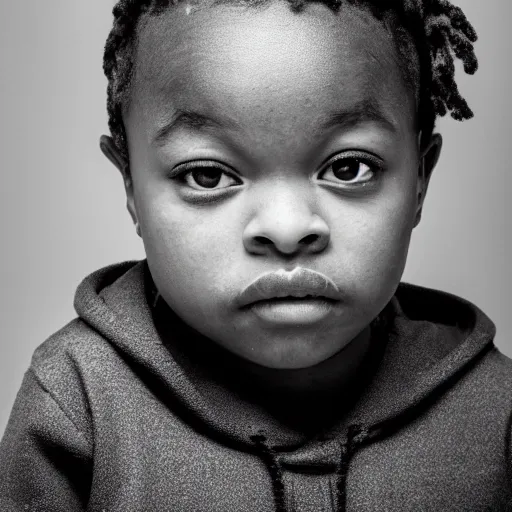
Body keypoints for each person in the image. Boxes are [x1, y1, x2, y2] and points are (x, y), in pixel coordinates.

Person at [1, 0, 510, 510]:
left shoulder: (496, 412)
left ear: (421, 178)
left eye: (350, 167)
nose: (286, 230)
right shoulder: (75, 405)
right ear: (130, 185)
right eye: (207, 175)